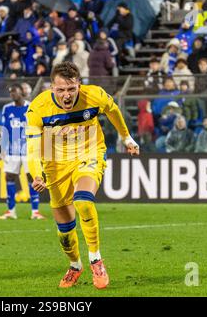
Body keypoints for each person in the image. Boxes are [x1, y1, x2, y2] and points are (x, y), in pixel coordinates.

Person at [25, 62, 139, 289]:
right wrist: (37, 175)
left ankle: (96, 259)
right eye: (60, 90)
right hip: (54, 163)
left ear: (79, 85)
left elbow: (114, 110)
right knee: (64, 229)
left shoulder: (94, 95)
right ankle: (75, 265)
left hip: (89, 153)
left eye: (71, 89)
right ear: (51, 88)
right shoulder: (38, 108)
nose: (66, 95)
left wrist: (126, 138)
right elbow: (33, 147)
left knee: (83, 201)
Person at [0, 84, 45, 220]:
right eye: (11, 93)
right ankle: (11, 211)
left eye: (15, 92)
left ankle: (35, 211)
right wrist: (2, 146)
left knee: (32, 178)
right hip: (12, 150)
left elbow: (39, 125)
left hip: (29, 149)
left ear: (22, 92)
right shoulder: (7, 108)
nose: (12, 95)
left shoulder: (31, 107)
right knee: (9, 177)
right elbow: (3, 128)